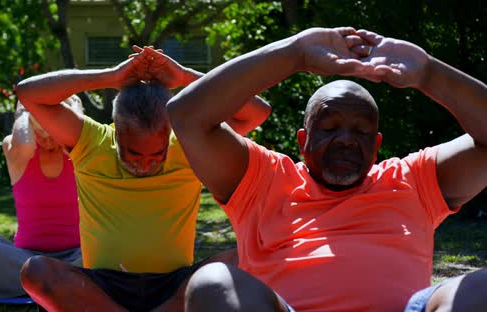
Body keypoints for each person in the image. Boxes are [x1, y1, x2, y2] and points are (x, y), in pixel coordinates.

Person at [167, 27, 487, 312]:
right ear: (304, 140)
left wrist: (429, 74)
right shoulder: (263, 179)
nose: (346, 140)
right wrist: (296, 53)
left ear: (376, 146)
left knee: (480, 287)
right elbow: (186, 116)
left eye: (361, 132)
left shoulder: (414, 179)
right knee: (211, 280)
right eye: (330, 127)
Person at [14, 46, 271, 311]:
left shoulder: (186, 146)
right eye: (134, 152)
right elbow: (29, 93)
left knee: (244, 259)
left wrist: (184, 76)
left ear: (168, 133)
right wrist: (109, 77)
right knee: (36, 271)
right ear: (117, 130)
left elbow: (257, 112)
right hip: (103, 288)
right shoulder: (92, 142)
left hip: (174, 288)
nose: (146, 163)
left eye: (158, 153)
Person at [0, 96, 83, 299]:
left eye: (52, 130)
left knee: (115, 242)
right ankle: (62, 283)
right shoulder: (15, 149)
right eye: (40, 132)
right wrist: (26, 107)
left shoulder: (79, 151)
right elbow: (23, 142)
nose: (48, 139)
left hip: (77, 256)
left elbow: (79, 132)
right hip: (26, 261)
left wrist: (73, 111)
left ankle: (35, 284)